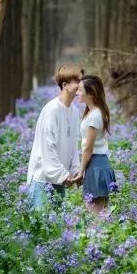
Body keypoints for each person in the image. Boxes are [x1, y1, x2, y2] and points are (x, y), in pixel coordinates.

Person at [26, 65, 83, 209]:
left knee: (56, 228)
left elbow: (73, 146)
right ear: (65, 85)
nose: (81, 84)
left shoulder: (74, 111)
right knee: (40, 228)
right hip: (43, 181)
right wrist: (64, 176)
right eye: (77, 81)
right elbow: (47, 148)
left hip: (59, 181)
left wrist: (76, 171)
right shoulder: (51, 110)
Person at [74, 74, 117, 219]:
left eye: (80, 90)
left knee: (97, 217)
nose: (76, 93)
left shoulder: (94, 116)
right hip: (99, 164)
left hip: (95, 166)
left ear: (90, 93)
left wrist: (81, 172)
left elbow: (88, 148)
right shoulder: (94, 112)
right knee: (102, 215)